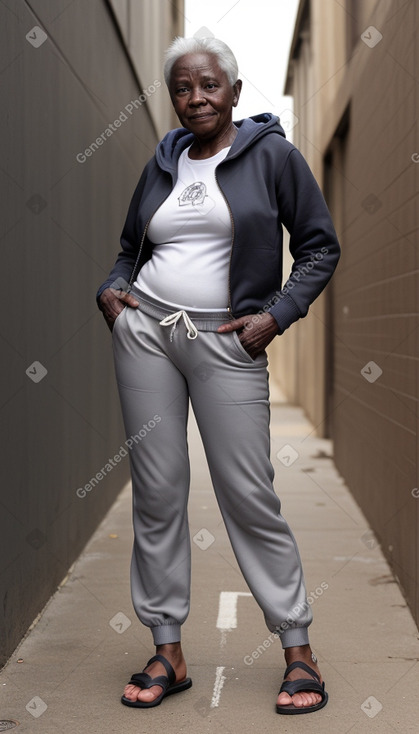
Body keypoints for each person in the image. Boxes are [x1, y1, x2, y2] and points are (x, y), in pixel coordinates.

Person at [97, 36, 340, 715]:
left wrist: (277, 315)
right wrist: (114, 293)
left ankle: (297, 649)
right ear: (172, 98)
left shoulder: (273, 158)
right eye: (182, 87)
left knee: (246, 492)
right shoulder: (161, 162)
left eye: (209, 85)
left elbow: (319, 247)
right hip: (146, 333)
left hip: (228, 340)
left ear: (233, 92)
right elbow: (128, 249)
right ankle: (166, 649)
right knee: (157, 490)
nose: (196, 96)